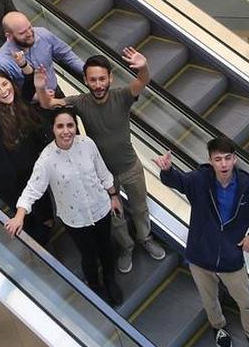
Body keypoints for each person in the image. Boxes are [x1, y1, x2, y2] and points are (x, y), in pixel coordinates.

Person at [154, 136, 249, 347]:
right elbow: (179, 182)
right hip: (200, 255)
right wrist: (168, 170)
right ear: (210, 161)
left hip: (231, 258)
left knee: (246, 302)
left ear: (235, 160)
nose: (223, 164)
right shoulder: (200, 179)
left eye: (227, 158)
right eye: (218, 159)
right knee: (209, 299)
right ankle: (218, 327)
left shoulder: (247, 187)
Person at [44, 50, 166, 270]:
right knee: (115, 215)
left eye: (102, 79)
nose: (98, 84)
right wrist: (41, 87)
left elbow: (143, 81)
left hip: (130, 167)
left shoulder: (122, 96)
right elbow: (48, 104)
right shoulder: (80, 102)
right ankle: (126, 247)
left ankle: (145, 238)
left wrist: (144, 67)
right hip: (102, 174)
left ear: (110, 78)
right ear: (86, 80)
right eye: (93, 80)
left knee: (140, 208)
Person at [6, 108, 124, 306]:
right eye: (60, 126)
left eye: (70, 125)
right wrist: (19, 215)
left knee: (106, 246)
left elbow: (102, 172)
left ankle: (110, 280)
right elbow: (32, 189)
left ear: (76, 126)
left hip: (100, 208)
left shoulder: (87, 144)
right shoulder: (46, 159)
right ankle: (94, 285)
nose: (66, 131)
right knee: (89, 254)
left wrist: (113, 196)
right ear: (53, 129)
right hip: (75, 218)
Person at [0, 67, 54, 241]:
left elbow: (30, 80)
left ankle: (46, 225)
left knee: (42, 207)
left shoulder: (20, 101)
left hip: (29, 168)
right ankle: (38, 242)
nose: (3, 91)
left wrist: (24, 65)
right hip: (7, 177)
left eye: (5, 84)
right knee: (26, 216)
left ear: (11, 83)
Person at [0, 12, 85, 95]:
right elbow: (12, 93)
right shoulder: (2, 61)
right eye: (22, 33)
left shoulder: (43, 34)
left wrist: (87, 71)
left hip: (56, 91)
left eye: (29, 27)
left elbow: (66, 55)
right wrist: (40, 97)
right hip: (33, 105)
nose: (29, 33)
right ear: (9, 36)